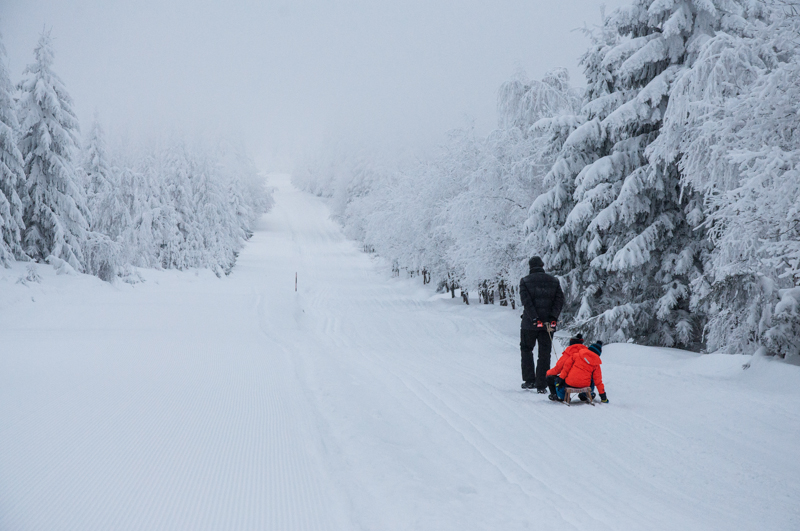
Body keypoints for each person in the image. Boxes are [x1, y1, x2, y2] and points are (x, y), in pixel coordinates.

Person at [519, 256, 565, 392]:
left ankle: (529, 380)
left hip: (529, 324)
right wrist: (552, 317)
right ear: (542, 265)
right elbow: (559, 301)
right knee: (544, 353)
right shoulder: (554, 281)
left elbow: (526, 302)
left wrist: (534, 318)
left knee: (527, 350)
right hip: (548, 324)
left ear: (530, 266)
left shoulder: (525, 281)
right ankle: (542, 384)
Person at [545, 333, 585, 400]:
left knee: (550, 377)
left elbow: (557, 369)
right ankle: (585, 395)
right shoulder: (588, 354)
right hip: (585, 382)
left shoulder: (568, 354)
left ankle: (557, 395)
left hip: (570, 382)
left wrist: (548, 373)